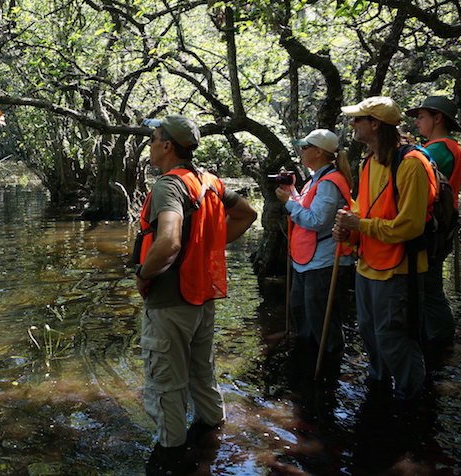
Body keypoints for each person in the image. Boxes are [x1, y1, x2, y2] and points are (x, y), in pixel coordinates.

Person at [133, 114, 257, 473]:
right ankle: (211, 435)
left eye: (154, 138)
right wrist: (209, 248)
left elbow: (169, 240)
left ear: (168, 145)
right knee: (202, 372)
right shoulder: (211, 182)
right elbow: (247, 215)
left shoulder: (168, 187)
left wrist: (144, 272)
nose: (151, 144)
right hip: (202, 298)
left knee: (166, 385)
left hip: (170, 301)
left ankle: (171, 454)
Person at [333, 96, 435, 404]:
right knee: (369, 333)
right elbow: (363, 211)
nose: (352, 124)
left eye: (358, 120)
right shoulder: (367, 162)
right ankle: (378, 391)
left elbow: (410, 227)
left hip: (399, 269)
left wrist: (360, 225)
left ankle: (412, 401)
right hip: (368, 265)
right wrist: (349, 231)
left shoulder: (411, 165)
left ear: (375, 124)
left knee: (393, 338)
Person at [275, 129, 353, 355]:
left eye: (305, 147)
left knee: (320, 317)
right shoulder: (314, 180)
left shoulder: (329, 182)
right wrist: (290, 192)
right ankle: (308, 356)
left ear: (319, 152)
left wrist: (288, 204)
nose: (301, 151)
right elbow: (306, 205)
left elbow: (317, 220)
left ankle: (329, 360)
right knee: (301, 309)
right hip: (307, 260)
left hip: (323, 261)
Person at [408, 95, 461, 349]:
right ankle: (434, 342)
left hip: (433, 229)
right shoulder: (443, 146)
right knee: (428, 288)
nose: (416, 122)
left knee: (429, 289)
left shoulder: (441, 147)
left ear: (437, 118)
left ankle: (440, 345)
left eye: (421, 116)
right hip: (438, 228)